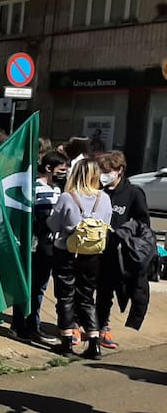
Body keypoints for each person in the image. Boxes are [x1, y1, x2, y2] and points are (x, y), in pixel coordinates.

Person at [47, 158, 112, 358]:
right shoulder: (105, 198)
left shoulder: (68, 197)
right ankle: (94, 342)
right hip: (93, 254)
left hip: (67, 251)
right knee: (87, 297)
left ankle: (67, 341)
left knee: (65, 296)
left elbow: (53, 225)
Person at [96, 151, 150, 343]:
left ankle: (102, 327)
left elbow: (143, 223)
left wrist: (123, 233)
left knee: (106, 291)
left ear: (119, 171)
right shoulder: (98, 190)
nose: (102, 174)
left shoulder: (133, 193)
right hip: (95, 248)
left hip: (117, 252)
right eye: (100, 170)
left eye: (106, 170)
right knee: (86, 289)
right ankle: (83, 325)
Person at [14, 151, 67, 342]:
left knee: (40, 288)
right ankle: (20, 324)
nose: (64, 173)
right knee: (29, 286)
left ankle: (33, 324)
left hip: (51, 246)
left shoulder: (59, 190)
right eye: (61, 170)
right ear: (48, 168)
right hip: (34, 246)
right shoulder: (34, 188)